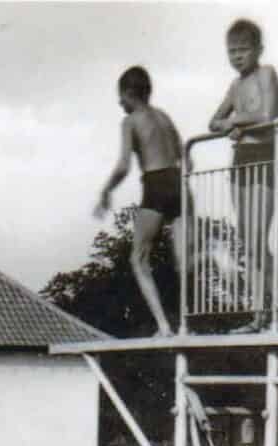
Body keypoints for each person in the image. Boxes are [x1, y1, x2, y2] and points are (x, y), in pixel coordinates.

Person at [94, 65, 187, 336]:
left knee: (138, 258)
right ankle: (187, 324)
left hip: (156, 183)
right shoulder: (164, 117)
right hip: (179, 182)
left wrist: (106, 190)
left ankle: (164, 326)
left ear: (128, 93)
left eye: (120, 96)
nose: (118, 102)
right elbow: (185, 155)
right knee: (183, 261)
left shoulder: (131, 120)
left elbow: (124, 165)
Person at [209, 17, 278, 329]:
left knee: (257, 239)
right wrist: (230, 124)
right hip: (240, 159)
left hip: (263, 155)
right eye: (231, 51)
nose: (237, 56)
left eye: (242, 50)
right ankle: (258, 315)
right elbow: (213, 122)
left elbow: (268, 114)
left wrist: (235, 123)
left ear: (258, 49)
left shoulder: (266, 74)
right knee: (246, 242)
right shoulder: (235, 86)